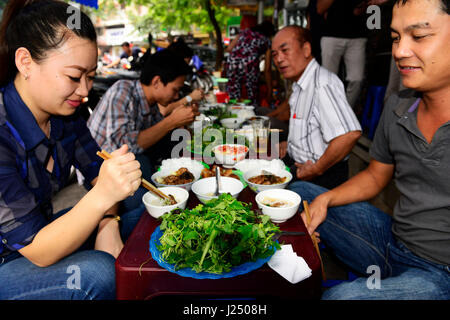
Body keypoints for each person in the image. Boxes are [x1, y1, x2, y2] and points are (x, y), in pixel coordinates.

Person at [289, 0, 450, 300]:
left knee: (339, 298)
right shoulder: (398, 105)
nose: (400, 51)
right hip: (392, 243)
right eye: (396, 38)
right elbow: (376, 176)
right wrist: (325, 199)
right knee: (298, 192)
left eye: (418, 36)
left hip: (440, 275)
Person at [0, 0, 144, 300]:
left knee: (140, 200)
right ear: (26, 62)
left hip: (39, 231)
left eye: (90, 76)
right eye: (74, 76)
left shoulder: (67, 115)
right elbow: (38, 251)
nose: (84, 90)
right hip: (11, 257)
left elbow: (97, 171)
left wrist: (108, 224)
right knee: (97, 274)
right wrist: (104, 197)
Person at [87, 49, 196, 211]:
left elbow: (159, 135)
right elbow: (126, 146)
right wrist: (172, 121)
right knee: (144, 206)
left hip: (130, 163)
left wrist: (180, 124)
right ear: (157, 82)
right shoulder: (122, 92)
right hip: (99, 171)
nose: (176, 97)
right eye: (175, 90)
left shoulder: (150, 103)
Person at [271, 26, 362, 190]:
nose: (279, 59)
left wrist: (317, 169)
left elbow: (349, 135)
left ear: (306, 49)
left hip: (321, 178)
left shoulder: (322, 84)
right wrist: (290, 144)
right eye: (275, 54)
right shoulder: (301, 84)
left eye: (285, 50)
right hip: (299, 166)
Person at [318, 0, 389, 109]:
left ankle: (344, 112)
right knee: (327, 80)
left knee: (357, 79)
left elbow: (368, 10)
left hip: (357, 36)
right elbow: (319, 9)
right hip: (332, 35)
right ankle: (328, 112)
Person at [225, 20, 275, 105]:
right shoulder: (267, 41)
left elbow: (229, 49)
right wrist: (270, 90)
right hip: (250, 65)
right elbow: (267, 69)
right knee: (251, 97)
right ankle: (250, 115)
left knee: (234, 96)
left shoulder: (245, 32)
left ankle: (234, 114)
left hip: (232, 62)